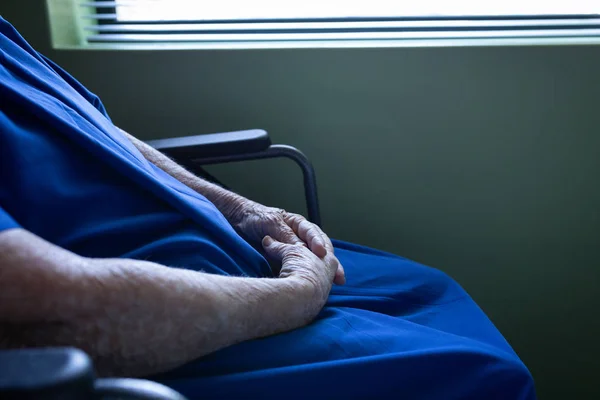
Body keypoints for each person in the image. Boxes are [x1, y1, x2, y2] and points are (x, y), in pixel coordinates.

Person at [0, 16, 535, 400]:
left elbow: (97, 130)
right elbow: (47, 308)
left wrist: (238, 208)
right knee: (485, 376)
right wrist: (293, 298)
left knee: (431, 289)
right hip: (163, 322)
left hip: (233, 260)